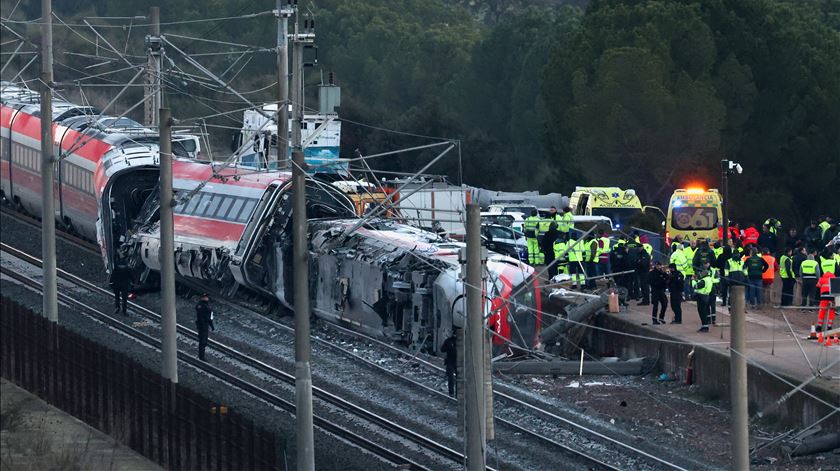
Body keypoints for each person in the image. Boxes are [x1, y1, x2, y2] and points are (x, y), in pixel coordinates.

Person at [195, 293, 215, 361]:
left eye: (206, 297)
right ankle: (201, 356)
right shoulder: (200, 305)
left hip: (206, 325)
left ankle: (202, 356)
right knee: (202, 341)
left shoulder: (206, 305)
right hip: (202, 325)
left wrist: (212, 326)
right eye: (204, 297)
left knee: (204, 341)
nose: (206, 298)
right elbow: (201, 317)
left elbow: (209, 317)